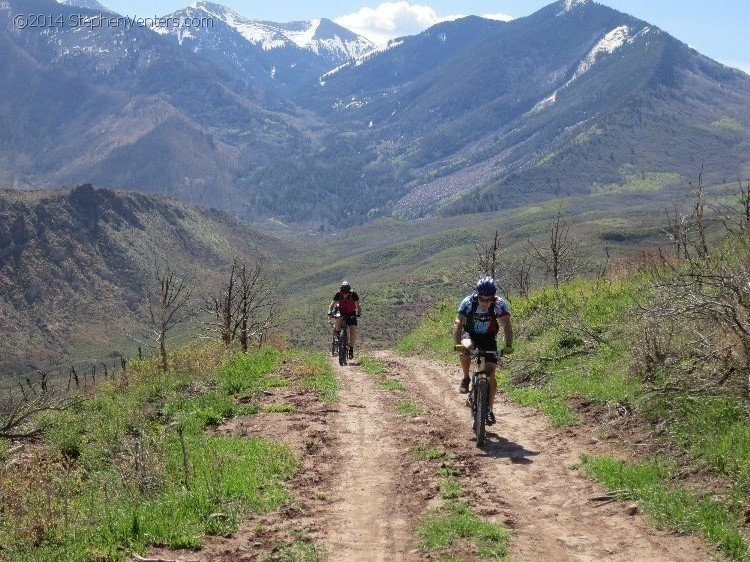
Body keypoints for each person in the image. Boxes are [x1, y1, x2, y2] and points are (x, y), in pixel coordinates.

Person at [453, 276, 513, 426]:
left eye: (488, 299)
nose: (485, 302)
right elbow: (459, 322)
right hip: (470, 334)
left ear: (493, 297)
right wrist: (457, 343)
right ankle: (466, 377)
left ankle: (489, 409)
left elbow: (506, 325)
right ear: (477, 295)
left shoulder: (499, 304)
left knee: (491, 372)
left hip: (488, 337)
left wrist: (508, 345)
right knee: (466, 347)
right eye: (482, 299)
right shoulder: (468, 302)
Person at [328, 281, 362, 359]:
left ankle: (351, 349)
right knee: (338, 319)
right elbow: (332, 304)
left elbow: (358, 305)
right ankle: (336, 331)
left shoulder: (353, 294)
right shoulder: (338, 294)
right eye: (343, 292)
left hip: (351, 313)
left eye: (346, 292)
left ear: (349, 291)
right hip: (341, 312)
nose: (345, 294)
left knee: (353, 330)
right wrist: (330, 311)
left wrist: (359, 313)